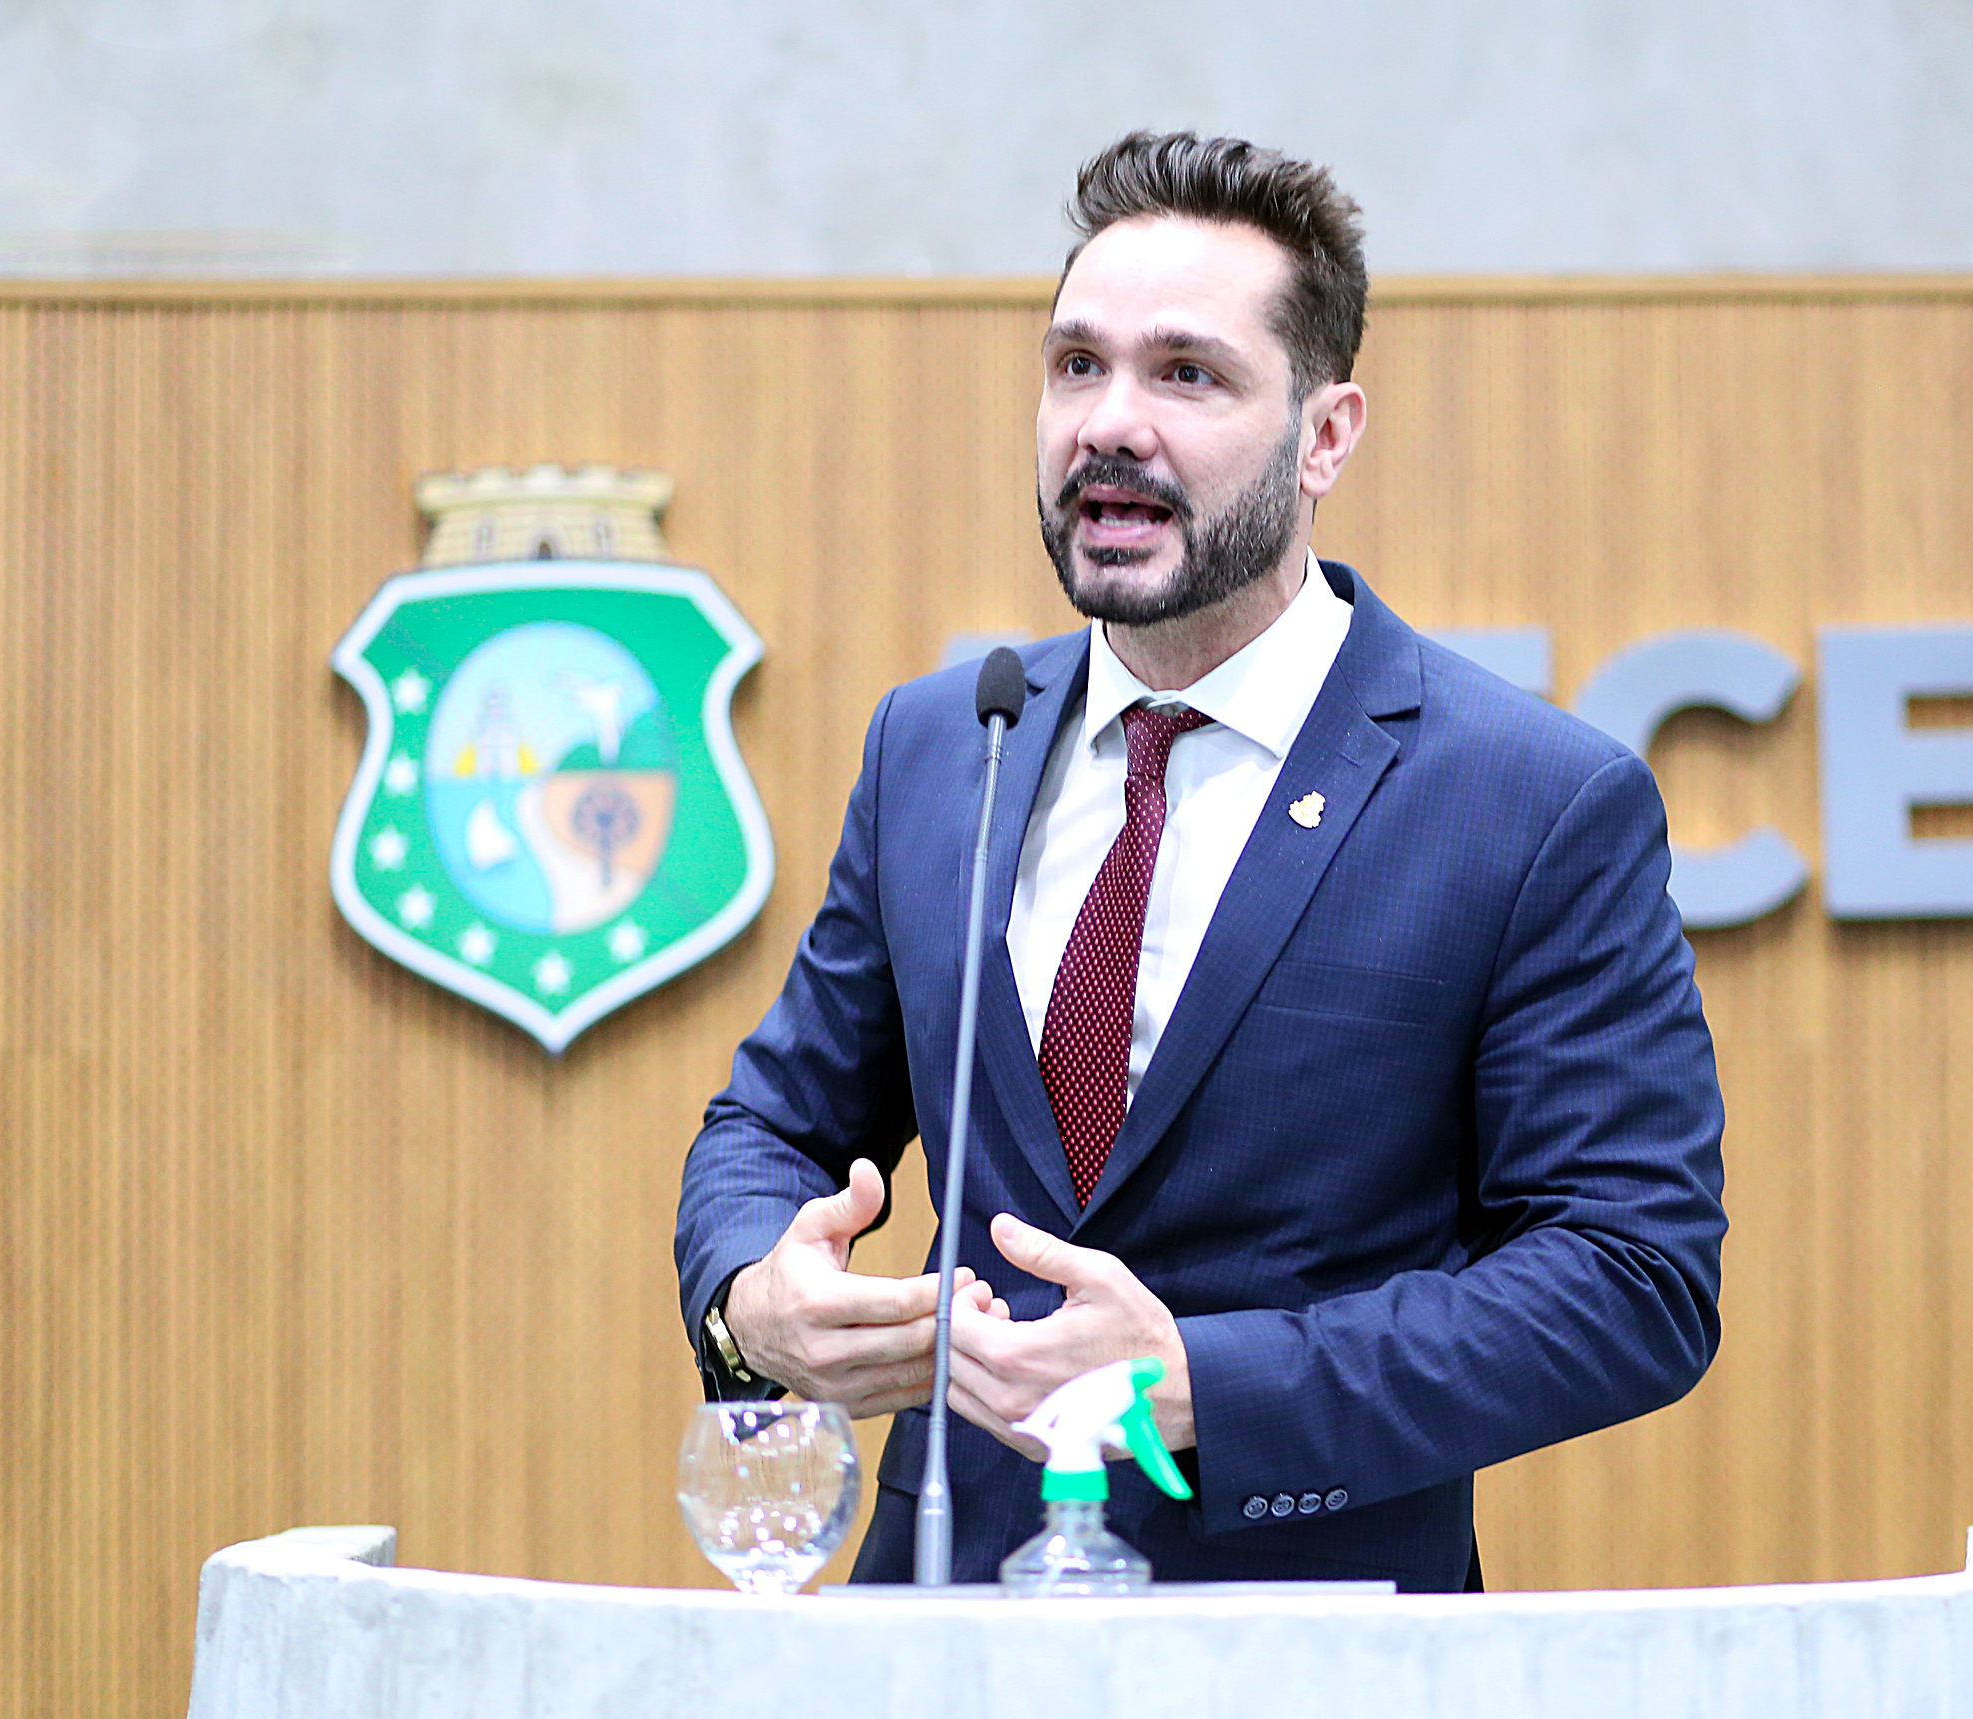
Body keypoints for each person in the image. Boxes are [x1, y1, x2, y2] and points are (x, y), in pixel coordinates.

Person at [676, 130, 1726, 1591]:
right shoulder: (944, 744)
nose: (1110, 426)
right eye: (1076, 366)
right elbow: (775, 1122)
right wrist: (755, 1294)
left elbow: (1630, 1277)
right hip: (943, 1628)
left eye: (1187, 375)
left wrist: (1206, 1386)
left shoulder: (1534, 800)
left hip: (1325, 1644)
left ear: (1326, 436)